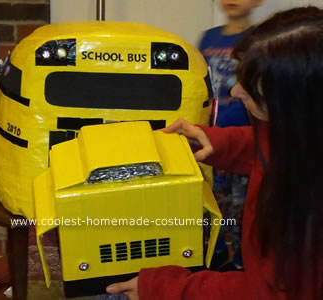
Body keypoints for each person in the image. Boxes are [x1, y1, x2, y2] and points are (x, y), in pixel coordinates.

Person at [106, 6, 323, 300]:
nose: (235, 93)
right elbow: (272, 146)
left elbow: (269, 294)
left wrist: (165, 288)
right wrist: (213, 140)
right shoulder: (302, 133)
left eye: (253, 87)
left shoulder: (306, 204)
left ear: (296, 101)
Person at [199, 0, 263, 263]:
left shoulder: (260, 39)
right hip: (212, 137)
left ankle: (242, 260)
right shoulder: (208, 38)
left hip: (246, 140)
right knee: (213, 200)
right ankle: (216, 253)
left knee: (243, 206)